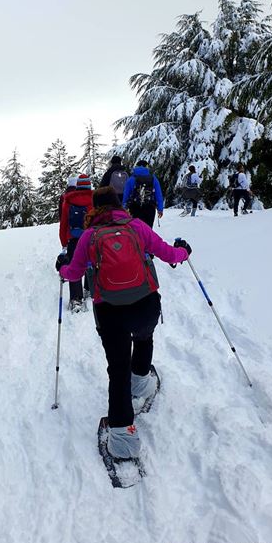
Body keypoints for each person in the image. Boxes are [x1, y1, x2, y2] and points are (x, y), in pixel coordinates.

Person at [57, 187, 190, 460]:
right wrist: (184, 252)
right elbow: (168, 253)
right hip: (146, 305)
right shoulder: (137, 227)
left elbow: (73, 273)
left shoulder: (89, 236)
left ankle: (122, 439)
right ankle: (141, 384)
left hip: (110, 312)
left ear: (94, 208)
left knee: (118, 370)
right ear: (119, 204)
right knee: (144, 339)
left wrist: (61, 266)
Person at [58, 174, 94, 311]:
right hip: (91, 238)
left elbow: (64, 223)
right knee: (91, 263)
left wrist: (64, 241)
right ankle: (89, 290)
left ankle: (76, 299)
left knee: (75, 265)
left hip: (73, 238)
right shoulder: (94, 199)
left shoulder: (69, 200)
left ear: (78, 186)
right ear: (89, 186)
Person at [122, 160, 164, 228]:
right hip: (150, 207)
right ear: (147, 167)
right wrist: (160, 209)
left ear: (137, 166)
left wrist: (124, 207)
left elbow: (126, 195)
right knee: (148, 230)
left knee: (136, 230)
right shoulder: (153, 178)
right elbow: (158, 194)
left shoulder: (131, 178)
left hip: (135, 207)